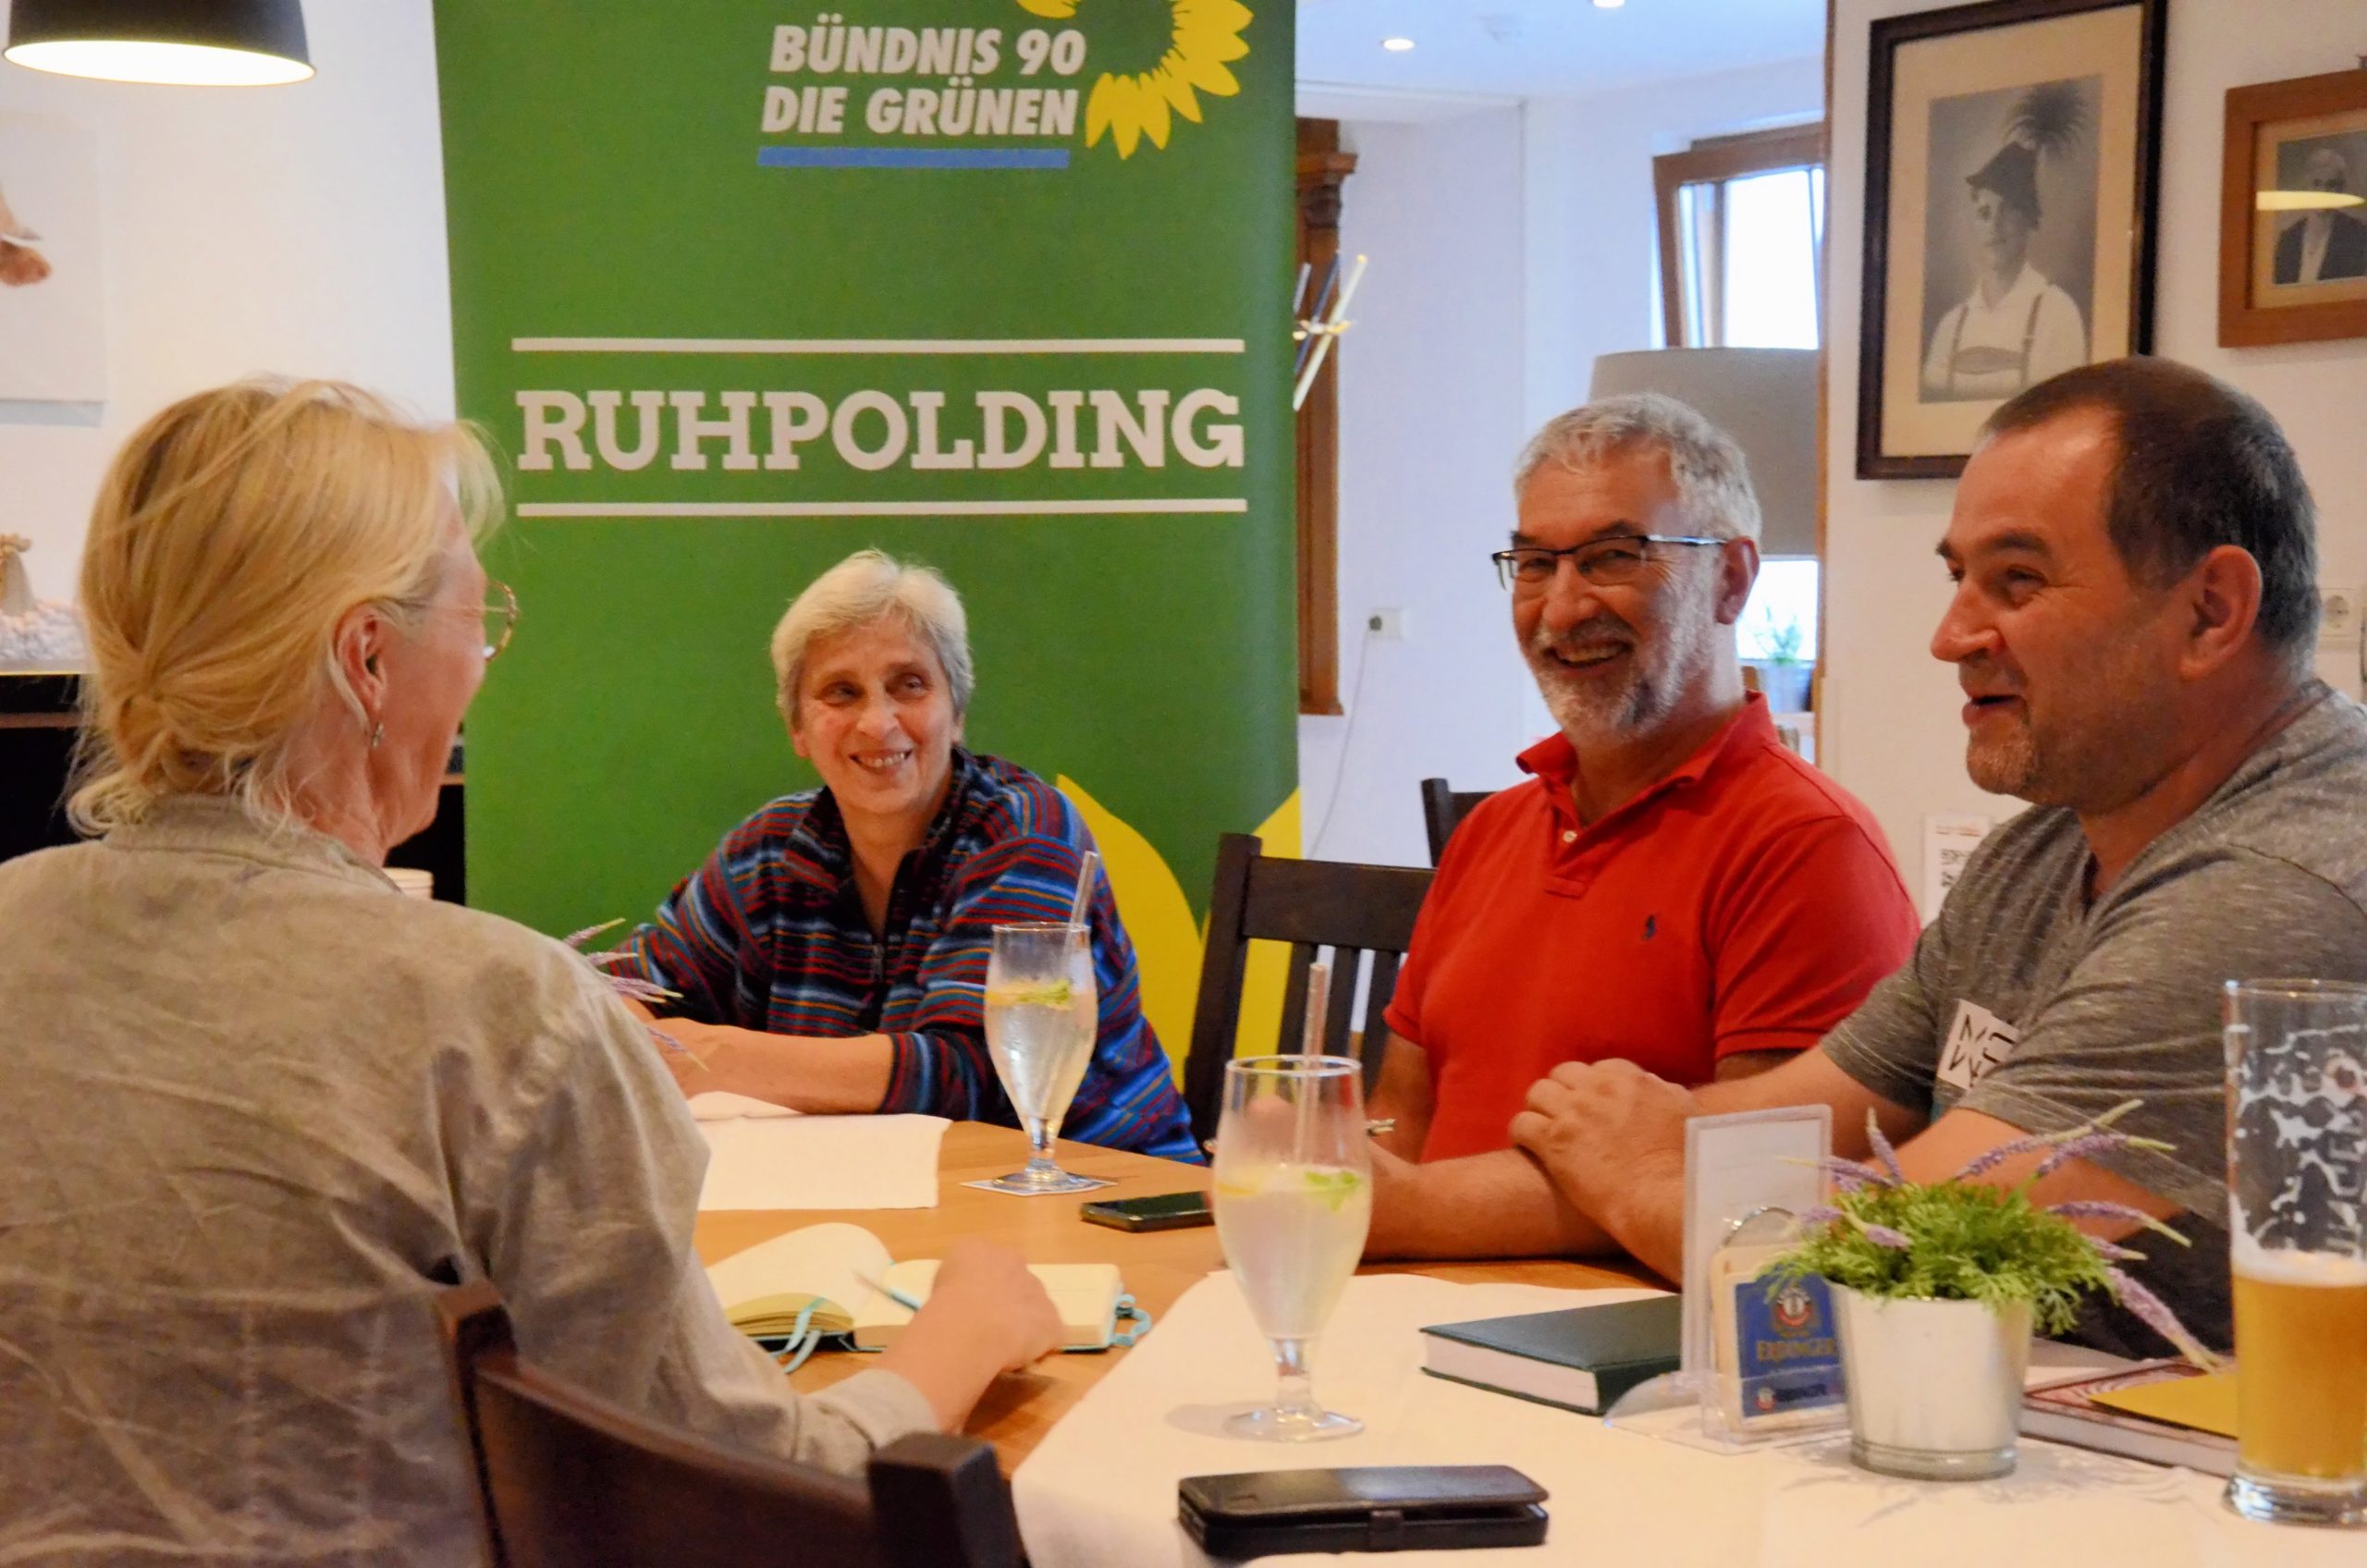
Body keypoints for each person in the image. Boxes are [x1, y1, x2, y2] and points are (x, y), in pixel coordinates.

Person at [0, 381, 1063, 1562]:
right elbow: (733, 1500)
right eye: (476, 616)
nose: (484, 665)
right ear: (367, 658)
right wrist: (962, 1337)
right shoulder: (502, 1011)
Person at [1499, 357, 2366, 1358]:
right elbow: (1779, 1128)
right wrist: (1396, 1197)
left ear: (2210, 611)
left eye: (2017, 580)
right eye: (1959, 578)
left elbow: (1873, 1264)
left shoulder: (2276, 889)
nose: (1949, 636)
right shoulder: (2041, 848)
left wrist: (1635, 1174)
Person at [1363, 394, 1919, 1260]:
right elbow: (1400, 1121)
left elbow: (1765, 1194)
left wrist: (1410, 1212)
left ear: (1732, 579)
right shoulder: (1492, 829)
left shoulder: (1807, 847)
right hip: (1405, 1318)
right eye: (1535, 563)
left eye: (1611, 557)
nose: (1562, 607)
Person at [609, 549, 1198, 1162]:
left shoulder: (1025, 832)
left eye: (908, 684)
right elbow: (621, 989)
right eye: (841, 692)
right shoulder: (768, 853)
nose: (877, 721)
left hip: (1106, 1198)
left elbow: (973, 1075)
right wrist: (631, 1026)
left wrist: (720, 1059)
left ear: (957, 711)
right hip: (881, 1192)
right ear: (799, 731)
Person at [1921, 137, 2087, 401]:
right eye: (1985, 213)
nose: (1994, 227)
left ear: (2030, 221)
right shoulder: (1951, 326)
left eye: (2008, 212)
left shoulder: (2058, 313)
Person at [2272, 146, 2367, 286]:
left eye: (2331, 185)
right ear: (2307, 187)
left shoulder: (2359, 235)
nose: (2323, 192)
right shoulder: (2288, 239)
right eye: (2317, 184)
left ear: (2341, 190)